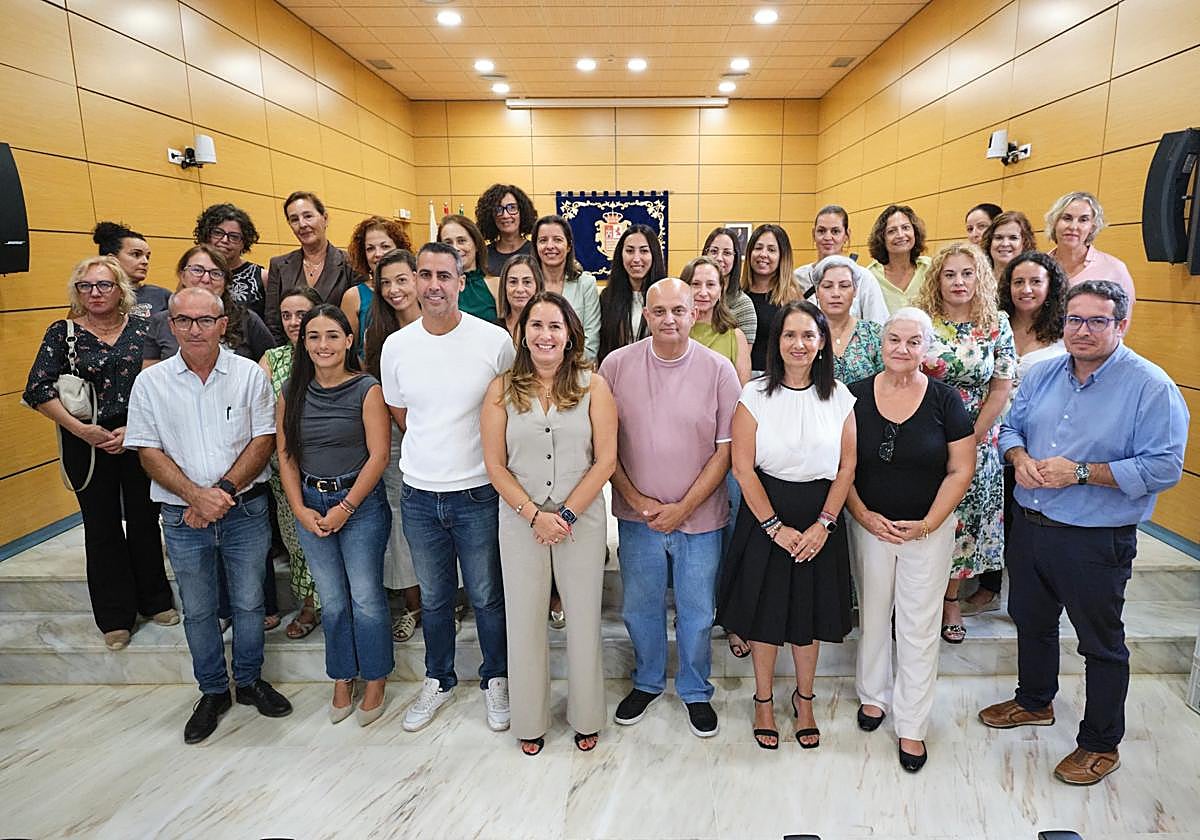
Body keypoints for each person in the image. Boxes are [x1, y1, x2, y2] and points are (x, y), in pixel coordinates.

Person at [980, 280, 1188, 785]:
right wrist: (1019, 457)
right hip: (1031, 527)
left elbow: (1164, 467)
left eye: (1098, 321)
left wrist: (1080, 472)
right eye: (1075, 319)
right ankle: (1034, 701)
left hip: (1095, 538)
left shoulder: (1150, 386)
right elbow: (1010, 429)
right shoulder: (1045, 372)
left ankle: (1100, 743)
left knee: (1101, 643)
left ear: (1122, 324)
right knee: (1031, 621)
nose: (1083, 330)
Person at [124, 287, 292, 744]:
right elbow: (146, 448)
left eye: (204, 320)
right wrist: (194, 497)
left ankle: (251, 680)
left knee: (250, 602)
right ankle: (213, 691)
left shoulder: (247, 376)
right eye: (184, 321)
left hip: (243, 509)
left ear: (223, 324)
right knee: (198, 611)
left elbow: (262, 440)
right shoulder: (152, 382)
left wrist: (219, 492)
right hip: (182, 517)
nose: (194, 329)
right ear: (171, 326)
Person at [379, 242, 515, 733]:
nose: (433, 285)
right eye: (424, 274)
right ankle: (439, 678)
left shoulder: (493, 341)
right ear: (414, 281)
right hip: (419, 493)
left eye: (444, 275)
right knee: (435, 598)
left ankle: (495, 677)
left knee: (485, 594)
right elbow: (402, 415)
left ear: (462, 282)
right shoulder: (397, 346)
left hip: (478, 490)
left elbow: (507, 409)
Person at [599, 278, 742, 738]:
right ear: (645, 315)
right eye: (659, 311)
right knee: (640, 607)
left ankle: (696, 689)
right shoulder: (616, 366)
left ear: (695, 313)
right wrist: (638, 501)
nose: (669, 320)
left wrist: (683, 507)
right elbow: (605, 447)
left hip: (699, 518)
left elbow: (725, 451)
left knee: (698, 609)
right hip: (637, 516)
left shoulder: (720, 370)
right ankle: (646, 681)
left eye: (678, 311)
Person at [482, 291, 617, 755]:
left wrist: (563, 514)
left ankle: (586, 716)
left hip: (580, 519)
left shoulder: (593, 385)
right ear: (522, 333)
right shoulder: (501, 388)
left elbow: (606, 460)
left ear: (570, 333)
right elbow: (495, 465)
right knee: (523, 622)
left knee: (582, 621)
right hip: (520, 521)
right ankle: (530, 720)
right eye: (536, 325)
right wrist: (533, 515)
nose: (545, 334)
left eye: (554, 326)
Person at [718, 300, 856, 750]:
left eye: (808, 336)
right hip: (766, 514)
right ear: (776, 343)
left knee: (808, 617)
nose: (798, 344)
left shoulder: (840, 396)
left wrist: (824, 525)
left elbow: (847, 468)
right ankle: (761, 700)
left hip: (820, 517)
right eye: (789, 335)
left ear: (822, 344)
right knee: (765, 613)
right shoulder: (754, 395)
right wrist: (775, 527)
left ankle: (805, 699)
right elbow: (742, 467)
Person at [22, 256, 176, 651]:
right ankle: (114, 618)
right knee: (101, 526)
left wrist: (135, 428)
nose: (94, 293)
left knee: (145, 520)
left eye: (103, 285)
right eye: (86, 286)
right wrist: (82, 431)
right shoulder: (63, 333)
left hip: (138, 436)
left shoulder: (145, 328)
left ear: (120, 289)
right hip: (85, 443)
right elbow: (38, 389)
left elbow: (164, 382)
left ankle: (155, 600)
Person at [846, 307, 976, 772]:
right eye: (894, 340)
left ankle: (913, 725)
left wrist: (927, 524)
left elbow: (961, 469)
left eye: (912, 341)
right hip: (870, 526)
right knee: (875, 614)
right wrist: (861, 514)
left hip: (927, 530)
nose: (902, 349)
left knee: (919, 627)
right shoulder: (855, 395)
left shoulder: (946, 400)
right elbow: (844, 468)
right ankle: (873, 697)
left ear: (927, 348)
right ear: (881, 344)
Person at [278, 304, 393, 727]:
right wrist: (299, 509)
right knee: (331, 600)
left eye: (331, 336)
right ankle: (343, 676)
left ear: (348, 340)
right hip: (311, 504)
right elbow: (287, 455)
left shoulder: (367, 389)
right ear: (303, 343)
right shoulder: (291, 392)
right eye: (313, 337)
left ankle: (377, 676)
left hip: (358, 505)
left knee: (364, 597)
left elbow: (379, 456)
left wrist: (345, 508)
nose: (322, 345)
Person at [914, 243, 1015, 644]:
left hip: (977, 437)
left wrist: (968, 440)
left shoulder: (997, 324)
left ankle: (950, 599)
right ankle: (917, 599)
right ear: (937, 280)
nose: (959, 282)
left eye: (967, 274)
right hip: (924, 434)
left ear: (980, 278)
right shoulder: (924, 322)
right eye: (950, 274)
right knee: (922, 515)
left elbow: (1001, 385)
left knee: (963, 524)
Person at [964, 251, 1067, 617]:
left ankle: (1027, 593)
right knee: (996, 507)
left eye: (1035, 281)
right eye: (1018, 282)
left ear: (1050, 286)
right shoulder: (997, 322)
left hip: (1040, 432)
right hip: (993, 429)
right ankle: (989, 584)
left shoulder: (1064, 330)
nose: (1026, 289)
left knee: (1024, 515)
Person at [364, 250, 424, 643]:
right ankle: (414, 604)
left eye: (401, 279)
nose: (393, 290)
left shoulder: (442, 326)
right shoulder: (380, 335)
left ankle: (447, 599)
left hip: (448, 440)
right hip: (401, 438)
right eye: (385, 283)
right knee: (403, 521)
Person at [260, 286, 324, 639]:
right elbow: (258, 410)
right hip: (285, 469)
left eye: (301, 314)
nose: (294, 322)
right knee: (298, 542)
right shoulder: (272, 358)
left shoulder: (331, 352)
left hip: (332, 468)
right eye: (287, 315)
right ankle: (311, 605)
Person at [143, 245, 274, 366]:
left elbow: (272, 359)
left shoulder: (247, 319)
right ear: (182, 276)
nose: (206, 279)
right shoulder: (161, 321)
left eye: (216, 273)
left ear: (226, 282)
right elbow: (151, 377)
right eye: (197, 270)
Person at [264, 191, 358, 345]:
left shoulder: (351, 263)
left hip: (338, 354)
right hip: (293, 357)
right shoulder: (278, 266)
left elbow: (357, 320)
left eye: (308, 216)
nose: (302, 224)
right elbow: (273, 322)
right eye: (294, 219)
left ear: (325, 219)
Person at [1045, 191, 1136, 314]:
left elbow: (1121, 322)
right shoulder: (1038, 267)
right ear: (1054, 223)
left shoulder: (1114, 269)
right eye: (1067, 218)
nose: (1073, 226)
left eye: (1083, 220)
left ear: (1092, 227)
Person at [793, 206, 889, 323]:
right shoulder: (798, 278)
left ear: (846, 235)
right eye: (821, 231)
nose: (828, 237)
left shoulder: (864, 278)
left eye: (835, 231)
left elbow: (878, 325)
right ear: (814, 234)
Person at [531, 215, 601, 359]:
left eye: (557, 240)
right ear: (536, 246)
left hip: (575, 370)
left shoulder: (586, 284)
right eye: (543, 240)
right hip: (534, 369)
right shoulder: (528, 284)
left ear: (568, 246)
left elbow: (591, 342)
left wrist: (562, 369)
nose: (550, 246)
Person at [341, 215, 411, 360]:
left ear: (399, 248)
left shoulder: (415, 289)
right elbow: (348, 352)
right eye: (370, 248)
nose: (378, 254)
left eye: (385, 246)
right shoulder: (353, 297)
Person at [597, 224, 667, 363]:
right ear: (620, 255)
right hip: (618, 373)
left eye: (644, 251)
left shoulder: (666, 295)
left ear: (654, 255)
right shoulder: (607, 297)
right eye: (629, 251)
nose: (636, 258)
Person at [813, 255, 884, 385]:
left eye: (844, 286)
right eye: (827, 286)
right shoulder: (806, 334)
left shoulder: (874, 333)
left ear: (855, 290)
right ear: (817, 291)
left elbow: (887, 381)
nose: (835, 293)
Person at [685, 256, 751, 384]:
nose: (703, 292)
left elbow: (742, 393)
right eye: (695, 284)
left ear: (721, 290)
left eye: (710, 285)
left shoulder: (736, 337)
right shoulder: (673, 331)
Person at [741, 223, 798, 374]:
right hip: (739, 378)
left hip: (776, 379)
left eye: (771, 250)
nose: (763, 254)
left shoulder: (790, 298)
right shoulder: (738, 295)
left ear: (782, 256)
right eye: (758, 248)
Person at [194, 203, 266, 320]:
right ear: (206, 235)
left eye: (234, 236)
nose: (225, 240)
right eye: (218, 233)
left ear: (244, 242)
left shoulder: (262, 276)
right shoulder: (194, 273)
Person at [92, 221, 169, 318]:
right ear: (112, 259)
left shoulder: (161, 295)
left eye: (147, 257)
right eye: (136, 254)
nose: (145, 261)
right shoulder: (92, 296)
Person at [866, 205, 932, 314]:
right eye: (892, 231)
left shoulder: (930, 268)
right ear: (882, 239)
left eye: (905, 228)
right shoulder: (870, 276)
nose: (900, 235)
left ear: (915, 232)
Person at [702, 226, 758, 347]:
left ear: (735, 258)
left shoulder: (743, 305)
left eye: (727, 253)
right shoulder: (690, 296)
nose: (719, 258)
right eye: (714, 251)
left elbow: (743, 358)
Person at [440, 213, 499, 322]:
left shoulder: (496, 285)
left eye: (461, 241)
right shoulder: (437, 289)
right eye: (448, 243)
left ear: (476, 244)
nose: (455, 248)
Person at [476, 183, 537, 276]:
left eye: (512, 208)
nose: (506, 215)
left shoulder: (536, 251)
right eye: (498, 209)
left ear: (523, 212)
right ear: (490, 215)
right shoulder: (483, 255)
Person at [980, 210, 1036, 280]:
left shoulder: (1032, 283)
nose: (1005, 244)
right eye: (998, 238)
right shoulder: (976, 280)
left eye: (1013, 238)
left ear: (1025, 243)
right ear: (989, 242)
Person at [497, 255, 545, 336]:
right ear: (504, 287)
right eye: (513, 282)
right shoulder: (495, 329)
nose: (520, 289)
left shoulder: (550, 327)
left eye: (527, 282)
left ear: (538, 286)